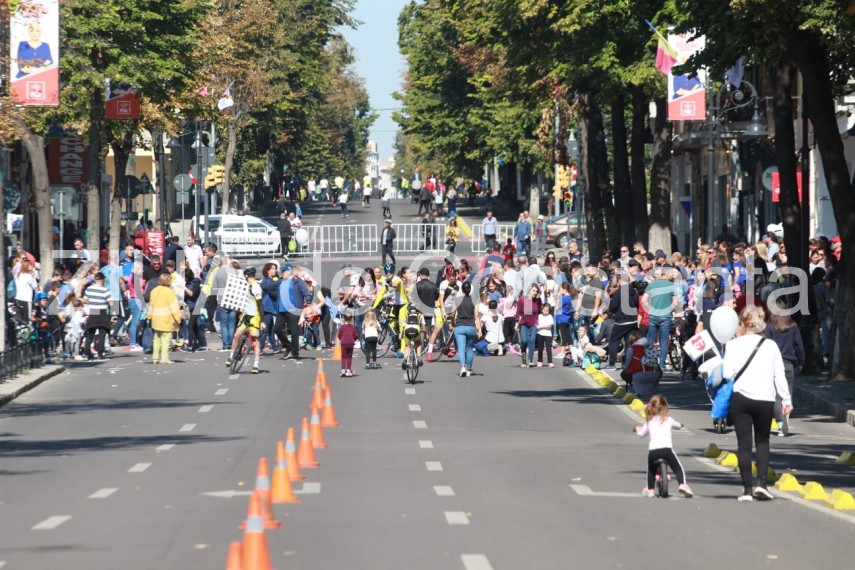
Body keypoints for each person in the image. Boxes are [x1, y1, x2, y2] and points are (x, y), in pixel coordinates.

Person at [722, 306, 793, 501]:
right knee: (763, 442)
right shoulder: (771, 345)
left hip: (741, 399)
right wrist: (786, 400)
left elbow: (727, 374)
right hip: (765, 400)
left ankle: (747, 490)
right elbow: (780, 375)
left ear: (742, 323)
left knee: (744, 446)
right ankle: (762, 483)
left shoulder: (733, 345)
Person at [634, 394, 694, 498]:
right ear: (665, 407)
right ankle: (682, 484)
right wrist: (681, 425)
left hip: (653, 452)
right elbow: (678, 425)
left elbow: (641, 434)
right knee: (678, 468)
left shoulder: (649, 421)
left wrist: (637, 430)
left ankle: (650, 489)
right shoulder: (668, 419)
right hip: (667, 450)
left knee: (651, 470)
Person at [764, 300, 804, 436]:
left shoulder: (769, 327)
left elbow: (765, 346)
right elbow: (799, 345)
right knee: (788, 394)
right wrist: (800, 361)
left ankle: (780, 424)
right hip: (788, 364)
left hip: (773, 364)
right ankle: (786, 422)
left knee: (776, 397)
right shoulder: (792, 326)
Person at [224, 267, 264, 374]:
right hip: (245, 315)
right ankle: (231, 357)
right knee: (237, 335)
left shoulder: (256, 287)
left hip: (254, 316)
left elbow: (260, 305)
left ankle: (255, 365)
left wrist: (262, 321)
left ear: (247, 276)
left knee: (255, 342)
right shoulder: (245, 285)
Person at [642, 266, 677, 370]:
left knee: (651, 339)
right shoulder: (671, 285)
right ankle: (662, 364)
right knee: (664, 341)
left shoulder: (652, 284)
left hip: (653, 315)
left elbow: (644, 300)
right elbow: (675, 302)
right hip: (665, 316)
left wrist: (650, 309)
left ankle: (648, 361)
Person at [275, 263, 312, 359]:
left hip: (293, 310)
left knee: (294, 332)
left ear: (288, 271)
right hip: (281, 309)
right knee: (277, 329)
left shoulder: (297, 281)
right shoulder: (280, 281)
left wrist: (308, 302)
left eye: (283, 271)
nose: (281, 273)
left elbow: (306, 293)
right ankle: (288, 346)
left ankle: (295, 352)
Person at [147, 274, 182, 364]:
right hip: (166, 318)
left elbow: (151, 305)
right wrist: (178, 320)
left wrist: (149, 316)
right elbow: (174, 307)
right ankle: (164, 358)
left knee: (157, 339)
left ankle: (155, 358)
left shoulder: (154, 291)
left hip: (156, 318)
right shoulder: (169, 292)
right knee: (166, 340)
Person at [450, 281, 481, 377]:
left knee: (461, 348)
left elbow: (452, 314)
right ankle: (469, 368)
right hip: (471, 327)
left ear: (462, 289)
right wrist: (479, 329)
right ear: (470, 290)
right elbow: (476, 316)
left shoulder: (457, 300)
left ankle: (462, 367)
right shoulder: (474, 300)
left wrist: (452, 322)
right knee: (470, 349)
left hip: (460, 326)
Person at [515, 285, 542, 367]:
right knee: (524, 341)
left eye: (536, 291)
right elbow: (518, 311)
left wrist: (539, 321)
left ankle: (530, 360)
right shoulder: (523, 299)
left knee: (532, 340)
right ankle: (523, 359)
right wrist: (516, 323)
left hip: (533, 322)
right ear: (529, 290)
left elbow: (539, 311)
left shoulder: (538, 300)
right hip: (524, 322)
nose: (535, 293)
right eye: (533, 290)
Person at [536, 302, 555, 367]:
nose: (546, 312)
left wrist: (541, 326)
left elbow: (549, 326)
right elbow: (537, 324)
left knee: (548, 349)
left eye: (547, 311)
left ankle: (550, 362)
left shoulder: (550, 317)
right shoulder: (539, 316)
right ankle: (539, 361)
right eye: (544, 310)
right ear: (542, 310)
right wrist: (540, 326)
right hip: (540, 334)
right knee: (540, 348)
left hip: (548, 335)